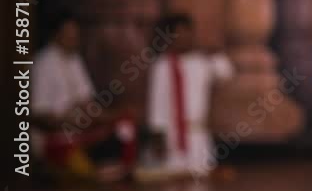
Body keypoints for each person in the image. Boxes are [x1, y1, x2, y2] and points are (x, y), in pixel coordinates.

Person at [34, 13, 137, 182]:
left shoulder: (74, 60)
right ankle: (96, 173)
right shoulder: (43, 64)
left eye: (76, 34)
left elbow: (88, 103)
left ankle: (122, 169)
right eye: (69, 34)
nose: (74, 38)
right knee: (88, 175)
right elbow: (38, 116)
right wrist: (67, 120)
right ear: (55, 35)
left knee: (125, 123)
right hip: (56, 139)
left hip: (82, 132)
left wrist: (114, 115)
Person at [143, 13, 234, 178]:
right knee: (172, 176)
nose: (183, 38)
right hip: (172, 135)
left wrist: (215, 51)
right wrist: (157, 135)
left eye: (187, 33)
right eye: (178, 34)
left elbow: (226, 73)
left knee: (201, 176)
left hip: (198, 134)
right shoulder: (162, 65)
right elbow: (157, 102)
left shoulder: (202, 61)